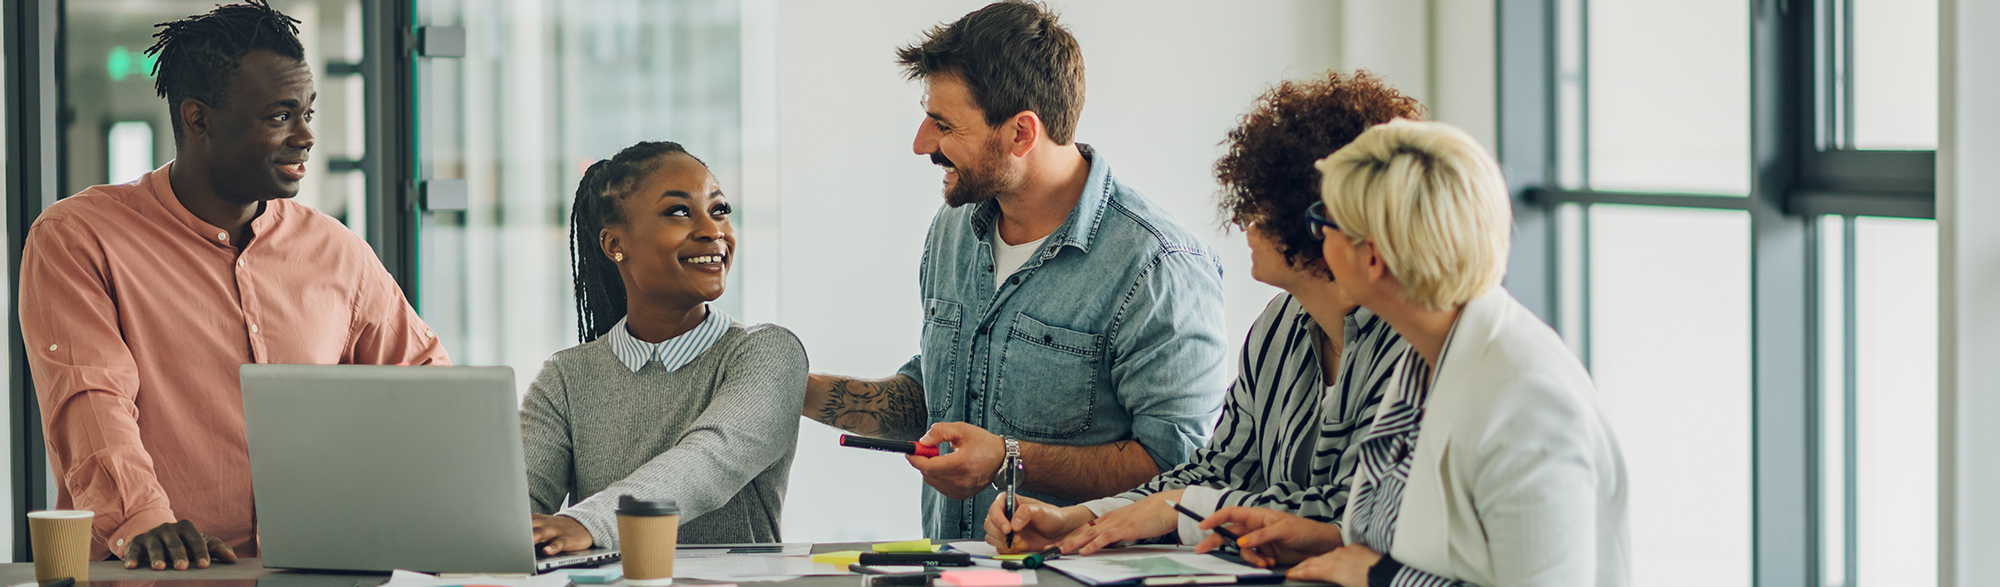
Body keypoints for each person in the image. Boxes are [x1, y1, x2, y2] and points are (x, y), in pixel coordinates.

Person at [18, 0, 449, 570]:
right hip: (156, 573)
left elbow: (428, 392)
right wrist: (144, 520)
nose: (306, 137)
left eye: (308, 113)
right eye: (280, 116)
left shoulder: (336, 251)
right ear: (199, 119)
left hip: (315, 574)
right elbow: (90, 400)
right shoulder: (79, 237)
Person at [801, 0, 1231, 540]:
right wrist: (793, 388)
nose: (921, 144)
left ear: (1022, 133)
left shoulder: (1159, 266)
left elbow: (1180, 470)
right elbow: (944, 400)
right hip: (954, 566)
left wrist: (1009, 458)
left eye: (942, 125)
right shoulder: (953, 230)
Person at [983, 72, 1422, 553]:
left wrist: (1180, 508)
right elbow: (1215, 470)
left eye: (1261, 202)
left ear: (1314, 215)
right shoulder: (1278, 325)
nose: (1243, 220)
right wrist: (1083, 519)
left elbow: (1353, 512)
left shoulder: (1412, 343)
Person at [1192, 119, 1630, 587]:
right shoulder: (1426, 355)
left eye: (1324, 222)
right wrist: (1326, 540)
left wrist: (1381, 576)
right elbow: (1420, 543)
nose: (1315, 239)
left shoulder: (1528, 401)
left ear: (1373, 257)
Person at [522, 141, 807, 552]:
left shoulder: (768, 353)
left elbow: (707, 463)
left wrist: (586, 522)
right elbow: (514, 514)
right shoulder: (566, 378)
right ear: (614, 244)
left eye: (719, 209)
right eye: (679, 212)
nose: (713, 231)